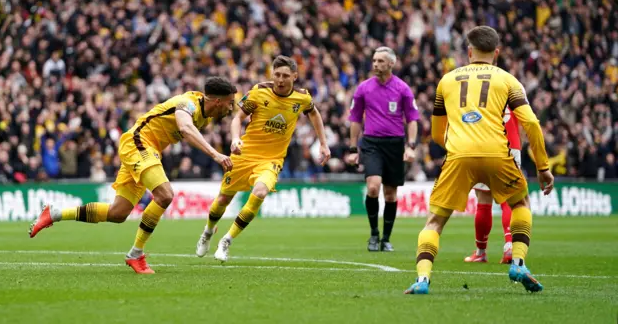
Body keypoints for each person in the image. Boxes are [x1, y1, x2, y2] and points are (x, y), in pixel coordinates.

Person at [29, 77, 237, 274]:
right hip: (138, 143)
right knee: (165, 195)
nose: (231, 108)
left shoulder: (206, 118)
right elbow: (184, 126)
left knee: (118, 213)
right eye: (229, 103)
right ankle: (136, 253)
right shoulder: (188, 104)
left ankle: (54, 213)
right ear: (218, 101)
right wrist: (216, 155)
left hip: (148, 150)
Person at [404, 26, 554, 295]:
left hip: (459, 155)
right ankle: (518, 262)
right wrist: (543, 167)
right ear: (496, 52)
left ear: (469, 51)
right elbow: (530, 122)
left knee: (435, 222)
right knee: (520, 203)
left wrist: (456, 148)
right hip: (498, 154)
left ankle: (423, 280)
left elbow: (437, 132)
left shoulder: (447, 81)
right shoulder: (509, 81)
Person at [195, 56, 331, 262]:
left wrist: (323, 142)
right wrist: (234, 139)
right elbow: (237, 118)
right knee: (223, 199)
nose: (280, 79)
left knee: (260, 192)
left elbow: (314, 114)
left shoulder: (302, 98)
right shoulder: (259, 91)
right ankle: (208, 231)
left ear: (295, 76)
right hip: (245, 154)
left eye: (286, 76)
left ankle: (227, 239)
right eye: (277, 74)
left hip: (272, 159)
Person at [347, 46, 420, 252]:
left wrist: (411, 145)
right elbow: (354, 119)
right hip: (371, 143)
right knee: (373, 187)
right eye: (374, 60)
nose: (376, 64)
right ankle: (373, 234)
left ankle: (386, 238)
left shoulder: (403, 89)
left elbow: (413, 119)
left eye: (380, 61)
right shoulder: (363, 88)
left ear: (391, 64)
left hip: (395, 144)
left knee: (390, 195)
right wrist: (353, 148)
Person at [464, 107, 520, 264]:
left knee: (483, 200)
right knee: (509, 199)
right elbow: (525, 119)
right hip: (511, 143)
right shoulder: (515, 86)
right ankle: (510, 247)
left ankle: (481, 252)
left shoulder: (476, 84)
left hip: (484, 145)